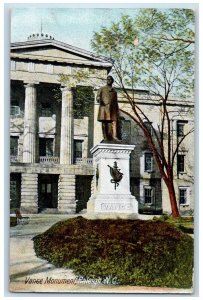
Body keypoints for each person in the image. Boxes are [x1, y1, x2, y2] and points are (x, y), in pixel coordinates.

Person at [97, 76, 121, 142]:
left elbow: (116, 102)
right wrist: (99, 99)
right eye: (108, 79)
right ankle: (105, 137)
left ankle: (114, 137)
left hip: (113, 109)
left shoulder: (114, 91)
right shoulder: (102, 89)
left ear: (112, 81)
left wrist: (117, 110)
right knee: (104, 123)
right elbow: (98, 97)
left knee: (113, 122)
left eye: (110, 79)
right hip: (104, 108)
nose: (109, 80)